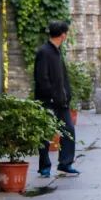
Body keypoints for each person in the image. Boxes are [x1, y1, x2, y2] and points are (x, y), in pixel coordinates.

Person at [34, 20, 80, 178]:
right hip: (47, 101)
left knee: (68, 130)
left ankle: (65, 163)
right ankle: (44, 166)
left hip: (62, 101)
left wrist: (67, 94)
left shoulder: (57, 51)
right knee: (45, 133)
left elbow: (62, 78)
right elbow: (41, 79)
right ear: (63, 35)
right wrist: (52, 97)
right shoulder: (44, 52)